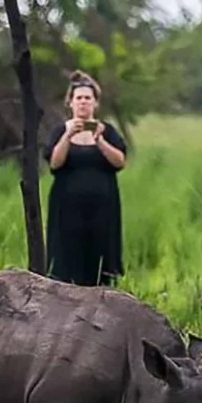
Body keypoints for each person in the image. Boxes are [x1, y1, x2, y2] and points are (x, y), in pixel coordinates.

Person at [43, 70, 127, 286]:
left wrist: (99, 140)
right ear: (70, 102)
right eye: (78, 98)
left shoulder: (107, 132)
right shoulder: (59, 131)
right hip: (67, 210)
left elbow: (119, 161)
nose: (83, 102)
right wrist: (68, 136)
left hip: (102, 209)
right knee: (66, 261)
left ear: (95, 103)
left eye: (87, 98)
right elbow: (54, 163)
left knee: (100, 261)